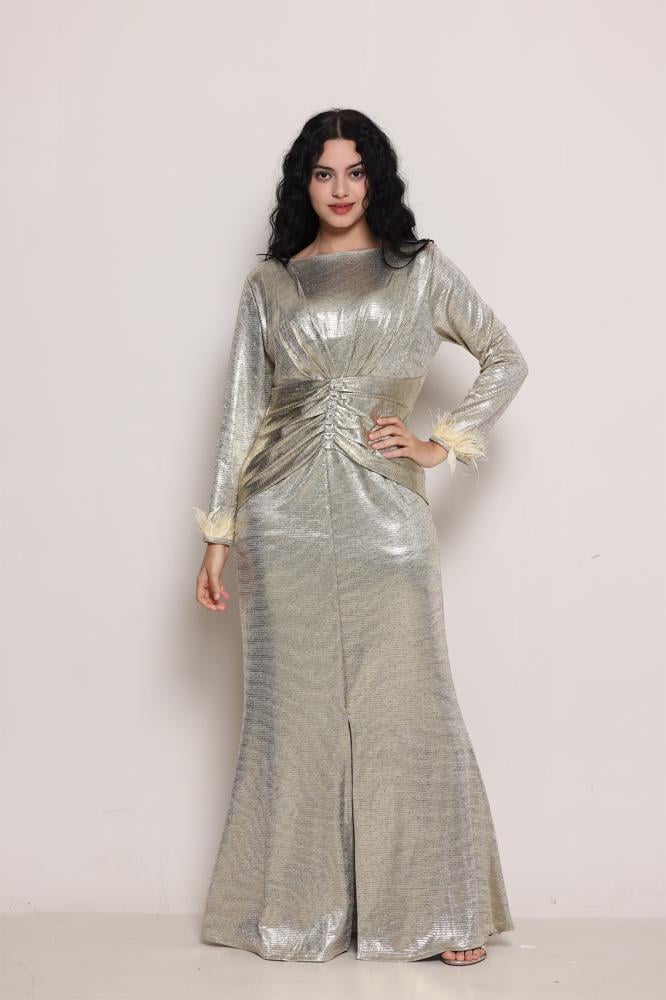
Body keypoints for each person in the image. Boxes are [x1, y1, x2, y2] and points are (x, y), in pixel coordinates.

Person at [192, 107, 528, 967]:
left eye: (354, 171)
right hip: (283, 515)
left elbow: (504, 356)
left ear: (375, 178)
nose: (339, 189)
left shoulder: (420, 268)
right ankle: (299, 913)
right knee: (293, 714)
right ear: (303, 183)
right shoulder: (271, 283)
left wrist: (438, 443)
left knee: (408, 706)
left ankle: (438, 911)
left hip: (385, 509)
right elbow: (241, 409)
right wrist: (219, 534)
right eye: (322, 173)